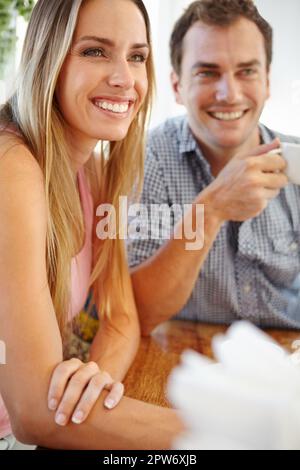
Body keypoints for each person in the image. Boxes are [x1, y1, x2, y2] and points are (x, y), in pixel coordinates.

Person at [0, 0, 183, 450]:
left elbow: (121, 317)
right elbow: (35, 414)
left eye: (137, 56)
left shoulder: (95, 171)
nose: (125, 78)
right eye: (95, 51)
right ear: (49, 59)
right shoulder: (11, 168)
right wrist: (241, 431)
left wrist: (90, 385)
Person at [128, 0, 300, 335]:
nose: (230, 94)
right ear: (177, 87)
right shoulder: (147, 159)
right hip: (186, 358)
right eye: (208, 72)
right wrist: (211, 209)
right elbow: (138, 313)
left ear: (266, 81)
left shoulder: (297, 160)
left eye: (246, 71)